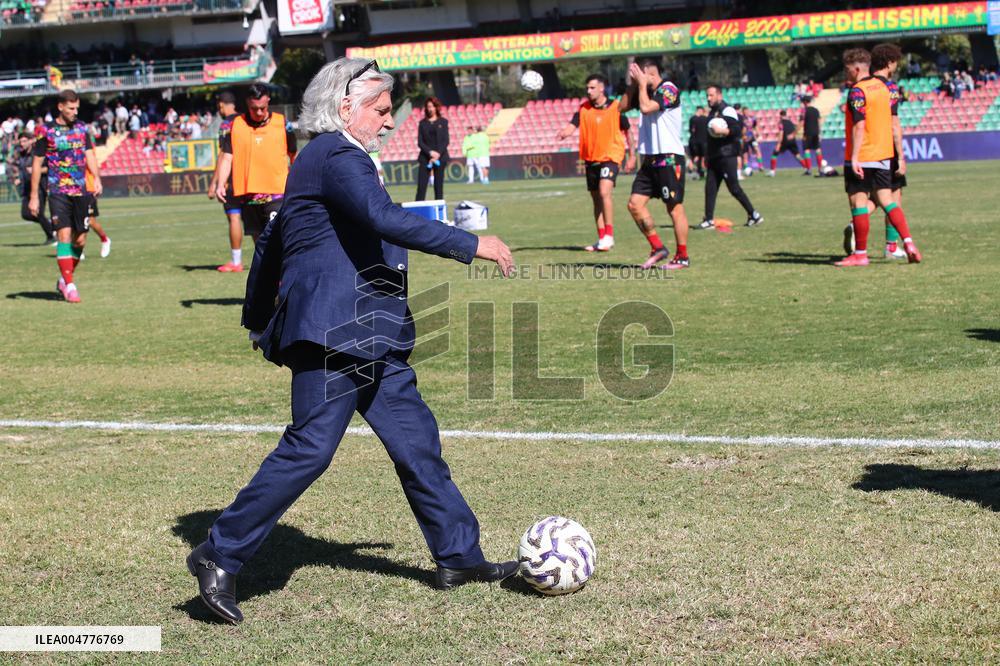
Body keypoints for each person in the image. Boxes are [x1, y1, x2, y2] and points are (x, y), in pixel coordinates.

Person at [186, 58, 518, 624]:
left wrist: (257, 315)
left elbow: (273, 241)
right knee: (310, 448)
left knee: (418, 443)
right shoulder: (335, 154)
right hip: (334, 331)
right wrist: (471, 243)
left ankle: (459, 556)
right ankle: (218, 553)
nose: (390, 122)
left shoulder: (329, 158)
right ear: (345, 108)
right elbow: (382, 217)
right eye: (381, 110)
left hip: (371, 333)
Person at [836, 47, 920, 267]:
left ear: (856, 69)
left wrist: (854, 157)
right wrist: (899, 155)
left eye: (847, 70)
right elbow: (893, 123)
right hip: (884, 155)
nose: (846, 74)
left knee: (859, 203)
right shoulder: (885, 89)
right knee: (888, 201)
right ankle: (908, 243)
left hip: (862, 155)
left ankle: (860, 254)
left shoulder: (857, 91)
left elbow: (860, 125)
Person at [29, 89, 102, 303]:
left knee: (80, 241)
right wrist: (34, 196)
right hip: (58, 190)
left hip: (82, 191)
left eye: (77, 107)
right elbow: (36, 164)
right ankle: (70, 286)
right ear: (60, 107)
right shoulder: (46, 131)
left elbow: (89, 154)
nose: (75, 112)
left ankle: (64, 278)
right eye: (71, 108)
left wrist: (96, 178)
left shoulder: (81, 128)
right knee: (64, 236)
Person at [620, 57, 690, 269]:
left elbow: (646, 108)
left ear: (650, 73)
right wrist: (633, 85)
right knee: (634, 205)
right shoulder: (642, 89)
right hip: (650, 159)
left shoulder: (669, 89)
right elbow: (621, 107)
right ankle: (657, 247)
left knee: (674, 209)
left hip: (669, 158)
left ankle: (682, 256)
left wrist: (641, 85)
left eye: (639, 74)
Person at [557, 73, 635, 252]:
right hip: (591, 159)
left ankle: (609, 235)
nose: (588, 91)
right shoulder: (583, 109)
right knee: (596, 199)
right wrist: (564, 133)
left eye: (592, 87)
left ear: (602, 88)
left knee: (604, 191)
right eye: (587, 88)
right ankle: (601, 239)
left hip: (610, 157)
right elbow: (572, 126)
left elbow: (628, 132)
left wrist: (632, 156)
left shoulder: (616, 108)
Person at [215, 84, 297, 245]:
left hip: (277, 193)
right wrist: (220, 184)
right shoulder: (235, 125)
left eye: (262, 108)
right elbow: (227, 157)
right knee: (259, 243)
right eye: (254, 108)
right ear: (247, 103)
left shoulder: (282, 123)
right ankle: (267, 270)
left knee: (276, 239)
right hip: (248, 194)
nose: (259, 112)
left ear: (268, 101)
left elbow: (293, 155)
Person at [698, 84, 763, 229]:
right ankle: (708, 219)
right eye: (707, 96)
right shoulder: (712, 112)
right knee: (710, 188)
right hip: (715, 156)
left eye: (711, 95)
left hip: (726, 156)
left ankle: (754, 215)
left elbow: (736, 130)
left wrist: (722, 131)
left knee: (734, 188)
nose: (708, 98)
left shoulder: (727, 110)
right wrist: (707, 155)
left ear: (719, 95)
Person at [207, 91, 244, 272]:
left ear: (221, 104)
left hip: (231, 179)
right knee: (257, 224)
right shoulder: (246, 119)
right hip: (250, 177)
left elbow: (224, 154)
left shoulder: (227, 124)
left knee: (234, 217)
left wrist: (215, 183)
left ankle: (236, 261)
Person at [8, 130, 54, 244]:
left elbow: (49, 168)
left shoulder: (37, 153)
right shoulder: (21, 154)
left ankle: (51, 237)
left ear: (30, 141)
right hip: (26, 188)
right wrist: (18, 178)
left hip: (39, 187)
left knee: (38, 213)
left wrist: (36, 170)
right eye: (20, 141)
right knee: (25, 214)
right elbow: (22, 170)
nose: (22, 143)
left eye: (24, 141)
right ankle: (50, 226)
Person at [416, 97, 448, 201]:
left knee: (438, 188)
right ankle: (417, 212)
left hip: (440, 157)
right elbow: (420, 142)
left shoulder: (443, 122)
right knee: (421, 188)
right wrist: (430, 153)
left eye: (432, 106)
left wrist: (437, 154)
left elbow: (446, 141)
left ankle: (439, 214)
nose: (430, 109)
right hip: (425, 158)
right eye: (428, 106)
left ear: (436, 107)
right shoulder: (422, 123)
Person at [767, 109, 810, 176]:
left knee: (774, 154)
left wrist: (779, 143)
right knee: (797, 155)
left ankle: (772, 171)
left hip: (784, 141)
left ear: (780, 115)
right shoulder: (790, 122)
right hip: (792, 141)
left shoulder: (781, 123)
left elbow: (781, 133)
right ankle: (807, 169)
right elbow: (794, 129)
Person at [83, 164, 111, 258]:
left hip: (88, 190)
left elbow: (94, 165)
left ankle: (105, 239)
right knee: (77, 220)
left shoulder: (87, 150)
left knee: (90, 221)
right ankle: (78, 248)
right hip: (73, 190)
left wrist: (97, 183)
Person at [799, 96, 823, 176]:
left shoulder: (804, 111)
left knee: (807, 150)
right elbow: (819, 122)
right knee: (818, 150)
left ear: (805, 102)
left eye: (802, 102)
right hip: (816, 133)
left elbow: (802, 123)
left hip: (807, 134)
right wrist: (819, 133)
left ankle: (809, 170)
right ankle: (820, 169)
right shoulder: (816, 110)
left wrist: (795, 131)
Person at [687, 106, 708, 180]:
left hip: (694, 141)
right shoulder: (705, 119)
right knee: (701, 157)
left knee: (695, 157)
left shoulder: (692, 119)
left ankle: (695, 171)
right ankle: (699, 171)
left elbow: (691, 130)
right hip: (703, 141)